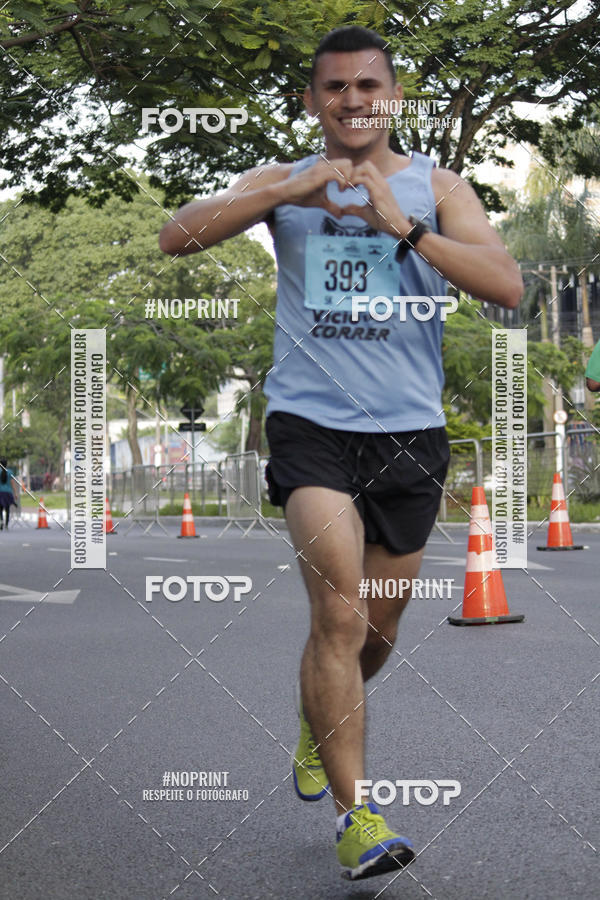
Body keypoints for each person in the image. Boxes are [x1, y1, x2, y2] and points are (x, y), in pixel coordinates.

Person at [159, 25, 523, 880]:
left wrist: (405, 229)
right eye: (335, 89)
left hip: (409, 431)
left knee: (380, 627)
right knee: (339, 614)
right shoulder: (280, 184)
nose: (353, 101)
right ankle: (358, 819)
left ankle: (315, 722)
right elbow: (178, 235)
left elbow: (506, 286)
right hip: (311, 423)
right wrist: (297, 189)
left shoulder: (438, 186)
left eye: (369, 86)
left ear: (391, 98)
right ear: (313, 101)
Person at [0, 458, 18, 530]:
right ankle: (6, 525)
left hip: (0, 492)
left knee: (0, 509)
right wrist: (15, 493)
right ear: (6, 464)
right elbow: (12, 483)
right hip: (8, 492)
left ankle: (1, 521)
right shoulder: (10, 472)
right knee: (7, 509)